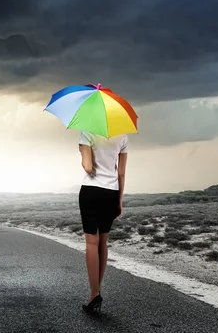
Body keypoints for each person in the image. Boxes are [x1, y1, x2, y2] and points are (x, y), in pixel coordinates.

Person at [78, 131, 128, 315]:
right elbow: (121, 173)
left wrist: (82, 150)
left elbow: (88, 167)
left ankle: (94, 294)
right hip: (111, 193)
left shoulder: (87, 131)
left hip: (91, 191)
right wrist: (119, 200)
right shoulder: (123, 135)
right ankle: (96, 290)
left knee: (91, 242)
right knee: (103, 242)